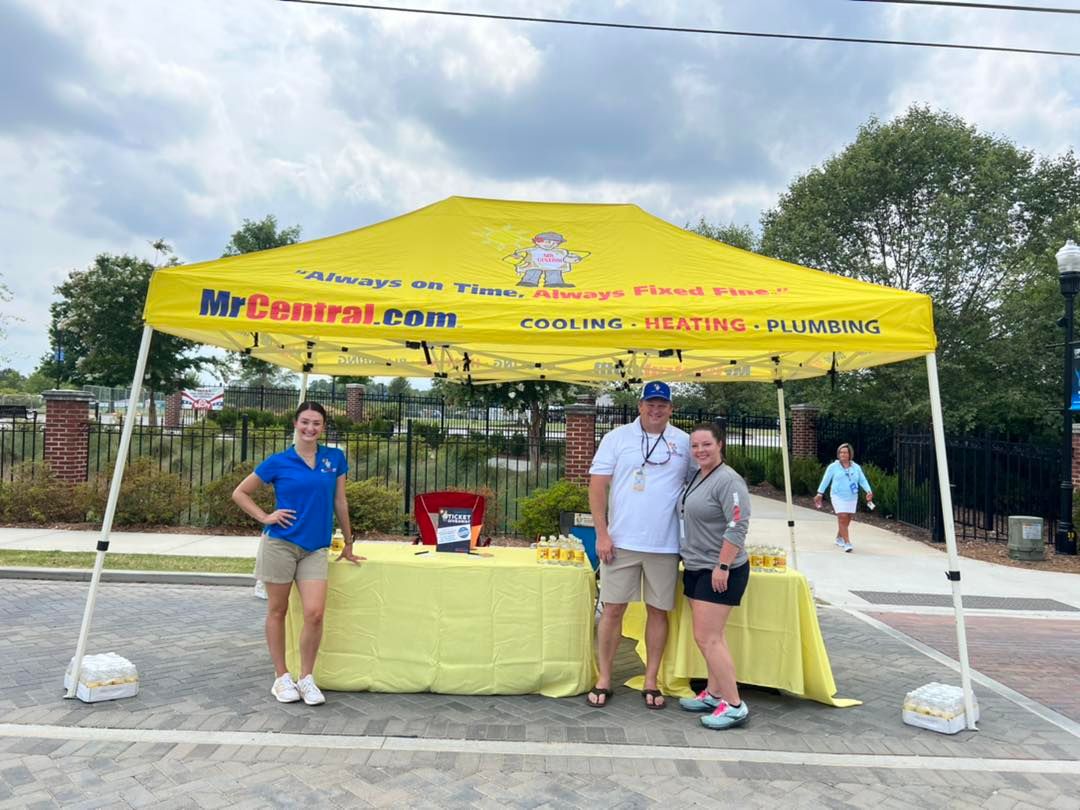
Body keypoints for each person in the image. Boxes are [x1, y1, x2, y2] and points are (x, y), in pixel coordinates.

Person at [232, 401, 363, 705]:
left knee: (314, 613)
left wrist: (349, 541)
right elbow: (240, 493)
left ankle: (306, 678)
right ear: (295, 423)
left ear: (323, 427)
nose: (310, 428)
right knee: (277, 611)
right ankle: (281, 677)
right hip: (280, 545)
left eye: (316, 423)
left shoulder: (334, 458)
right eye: (305, 422)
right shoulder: (279, 461)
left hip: (315, 548)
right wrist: (265, 516)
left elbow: (340, 501)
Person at [586, 381, 690, 710]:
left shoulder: (684, 442)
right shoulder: (617, 438)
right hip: (621, 541)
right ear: (640, 406)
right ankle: (605, 677)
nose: (656, 410)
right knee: (612, 609)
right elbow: (597, 486)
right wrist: (602, 533)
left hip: (665, 544)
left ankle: (651, 679)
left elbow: (698, 485)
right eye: (650, 404)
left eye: (662, 405)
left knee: (658, 611)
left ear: (671, 409)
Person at [676, 423, 752, 730]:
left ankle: (734, 705)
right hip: (696, 565)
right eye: (695, 446)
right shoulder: (699, 474)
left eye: (706, 444)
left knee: (708, 638)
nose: (700, 450)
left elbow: (738, 525)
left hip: (719, 569)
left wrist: (723, 565)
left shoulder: (729, 480)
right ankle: (714, 693)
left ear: (720, 444)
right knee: (709, 637)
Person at [814, 442, 874, 553]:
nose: (843, 454)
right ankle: (847, 542)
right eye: (841, 452)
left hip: (852, 496)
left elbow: (862, 480)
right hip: (837, 495)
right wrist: (819, 493)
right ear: (838, 454)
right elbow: (825, 480)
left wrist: (868, 491)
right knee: (842, 516)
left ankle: (839, 537)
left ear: (850, 454)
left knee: (847, 519)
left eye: (845, 452)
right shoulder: (833, 467)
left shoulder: (856, 467)